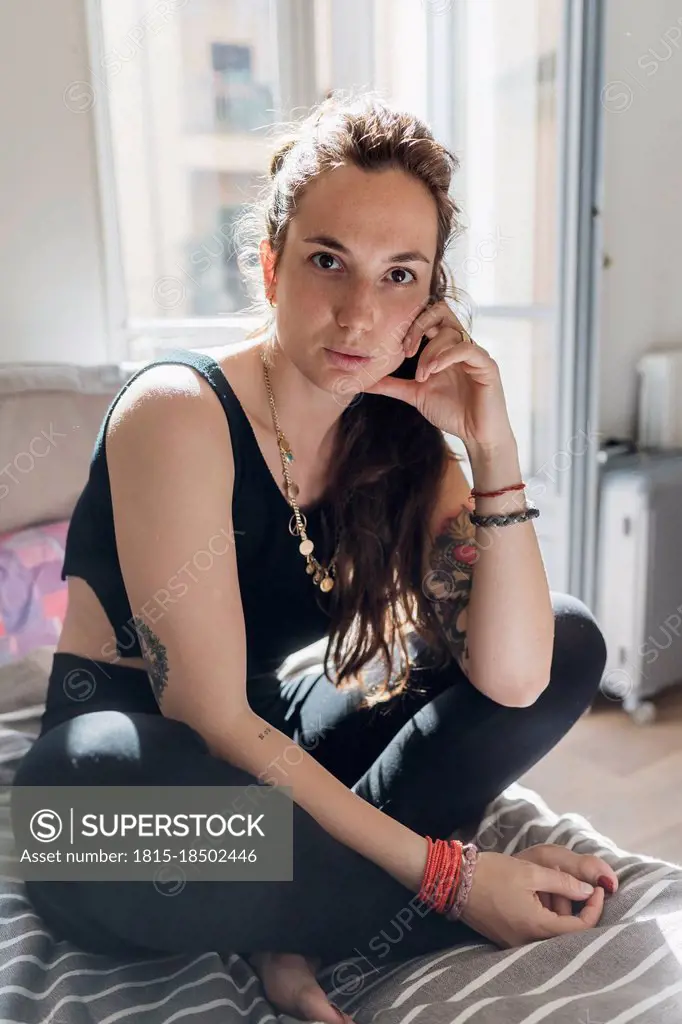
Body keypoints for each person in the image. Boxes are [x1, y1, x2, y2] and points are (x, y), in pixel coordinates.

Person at [12, 90, 617, 1024]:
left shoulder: (401, 437)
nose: (358, 314)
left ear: (431, 299)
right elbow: (209, 721)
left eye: (400, 276)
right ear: (270, 267)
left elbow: (516, 674)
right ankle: (370, 912)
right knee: (81, 810)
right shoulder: (175, 409)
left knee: (568, 639)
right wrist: (456, 879)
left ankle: (291, 918)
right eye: (328, 261)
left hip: (279, 754)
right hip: (143, 775)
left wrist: (490, 449)